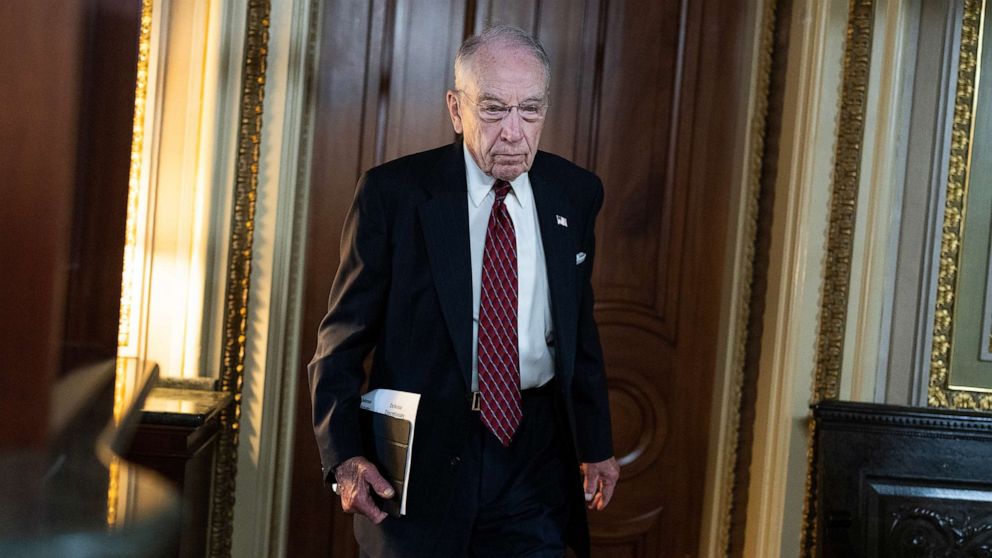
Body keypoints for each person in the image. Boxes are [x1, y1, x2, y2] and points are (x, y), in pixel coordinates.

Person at [308, 24, 619, 558]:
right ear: (456, 109)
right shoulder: (394, 195)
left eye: (531, 110)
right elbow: (341, 343)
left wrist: (597, 445)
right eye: (494, 110)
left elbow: (576, 330)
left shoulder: (576, 192)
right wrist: (344, 459)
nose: (515, 133)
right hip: (420, 460)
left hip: (533, 455)